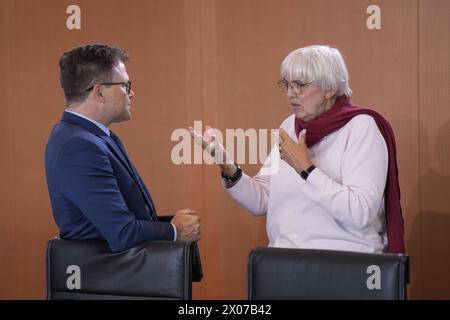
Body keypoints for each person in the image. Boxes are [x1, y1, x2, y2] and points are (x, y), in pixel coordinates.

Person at [190, 45, 404, 254]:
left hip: (345, 262)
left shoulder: (361, 127)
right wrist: (228, 166)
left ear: (329, 88)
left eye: (300, 86)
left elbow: (360, 212)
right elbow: (261, 200)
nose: (291, 94)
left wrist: (307, 170)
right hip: (285, 262)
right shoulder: (289, 126)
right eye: (287, 85)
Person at [45, 44, 200, 252]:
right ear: (99, 92)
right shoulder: (80, 146)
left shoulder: (90, 136)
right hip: (107, 281)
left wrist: (171, 226)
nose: (132, 93)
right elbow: (123, 233)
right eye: (125, 85)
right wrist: (174, 230)